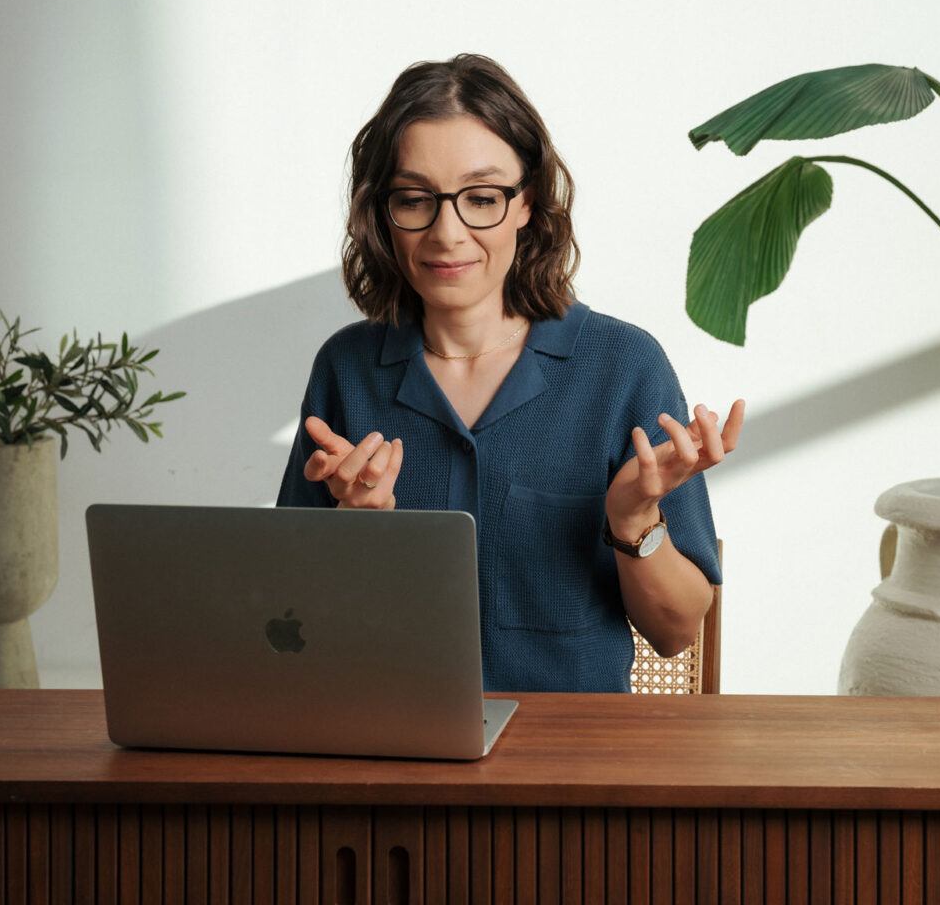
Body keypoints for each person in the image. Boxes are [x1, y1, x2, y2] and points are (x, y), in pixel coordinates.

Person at [276, 54, 744, 692]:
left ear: (527, 204)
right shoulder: (346, 369)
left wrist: (632, 519)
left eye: (481, 199)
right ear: (381, 212)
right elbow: (290, 630)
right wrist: (358, 537)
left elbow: (675, 632)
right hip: (389, 753)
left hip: (566, 765)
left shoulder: (621, 367)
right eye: (414, 199)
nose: (448, 233)